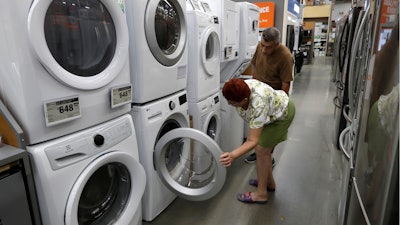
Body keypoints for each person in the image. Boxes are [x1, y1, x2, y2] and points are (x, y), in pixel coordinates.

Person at [220, 78, 295, 204]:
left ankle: (261, 194)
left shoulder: (258, 104)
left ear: (244, 100)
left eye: (232, 102)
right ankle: (268, 183)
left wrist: (233, 155)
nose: (229, 104)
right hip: (271, 114)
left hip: (282, 115)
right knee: (264, 152)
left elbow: (252, 140)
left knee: (261, 151)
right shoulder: (242, 87)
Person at [245, 26, 294, 164]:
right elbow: (256, 68)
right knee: (256, 126)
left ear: (277, 44)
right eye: (262, 45)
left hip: (272, 98)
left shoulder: (285, 56)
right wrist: (251, 90)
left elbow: (286, 84)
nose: (264, 50)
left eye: (268, 47)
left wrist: (278, 107)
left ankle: (267, 156)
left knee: (268, 132)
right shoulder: (259, 47)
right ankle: (258, 151)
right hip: (258, 95)